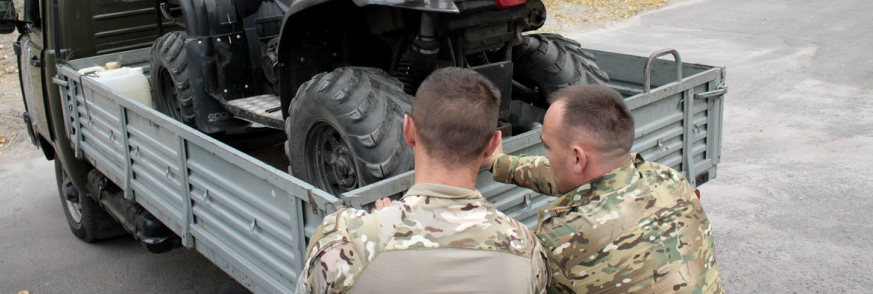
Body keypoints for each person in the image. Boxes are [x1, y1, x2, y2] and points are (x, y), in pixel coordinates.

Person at [296, 67, 549, 294]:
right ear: (493, 144)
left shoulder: (348, 244)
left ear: (408, 130)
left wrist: (379, 227)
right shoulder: (527, 251)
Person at [484, 84, 723, 294]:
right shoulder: (666, 178)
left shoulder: (563, 241)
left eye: (548, 147)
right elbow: (566, 175)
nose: (546, 155)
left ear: (577, 158)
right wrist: (499, 163)